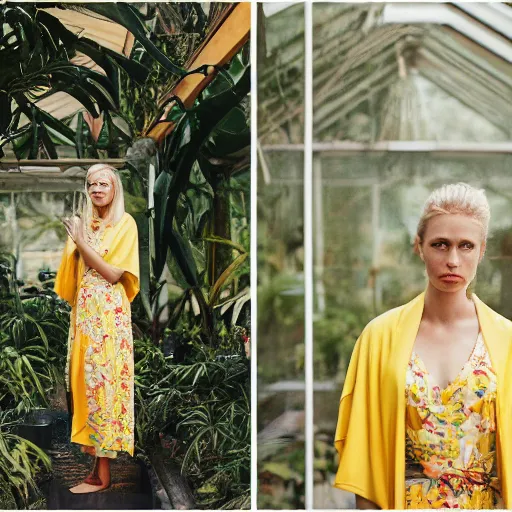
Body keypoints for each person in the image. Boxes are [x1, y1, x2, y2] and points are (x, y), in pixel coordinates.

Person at [334, 183, 512, 509]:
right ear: (419, 247)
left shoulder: (507, 341)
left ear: (482, 250)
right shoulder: (379, 338)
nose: (453, 260)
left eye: (466, 246)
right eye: (440, 244)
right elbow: (367, 461)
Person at [54, 164, 139, 493]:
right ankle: (94, 467)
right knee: (83, 385)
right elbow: (72, 274)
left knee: (104, 386)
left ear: (114, 188)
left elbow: (113, 274)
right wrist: (76, 240)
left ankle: (101, 475)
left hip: (109, 318)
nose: (96, 189)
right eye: (91, 184)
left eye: (103, 183)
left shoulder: (125, 224)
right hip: (85, 316)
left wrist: (80, 242)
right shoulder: (86, 225)